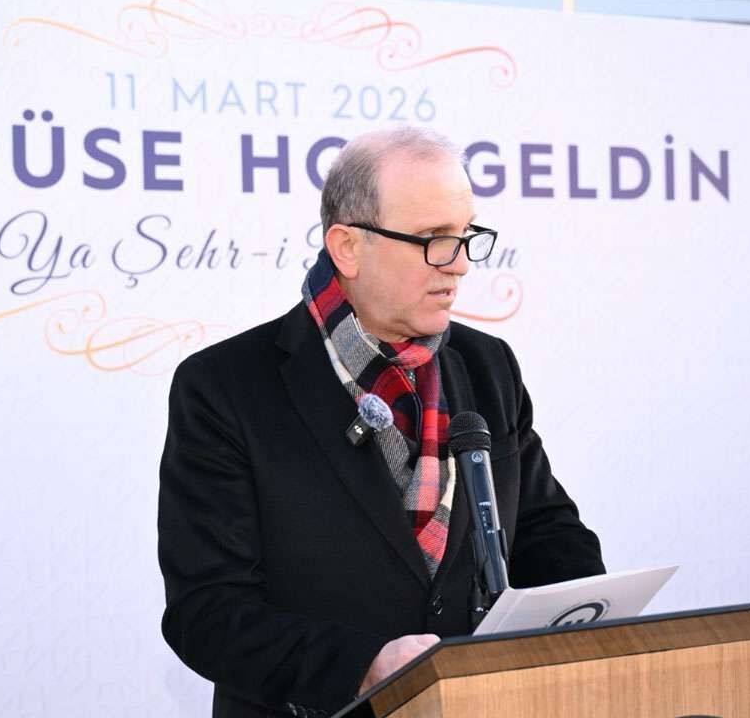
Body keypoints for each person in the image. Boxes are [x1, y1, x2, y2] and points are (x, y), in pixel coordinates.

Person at [158, 126, 605, 718]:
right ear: (347, 247)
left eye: (466, 237)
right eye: (433, 240)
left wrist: (586, 613)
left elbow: (546, 532)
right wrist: (363, 666)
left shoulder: (487, 365)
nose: (459, 265)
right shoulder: (226, 386)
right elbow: (208, 613)